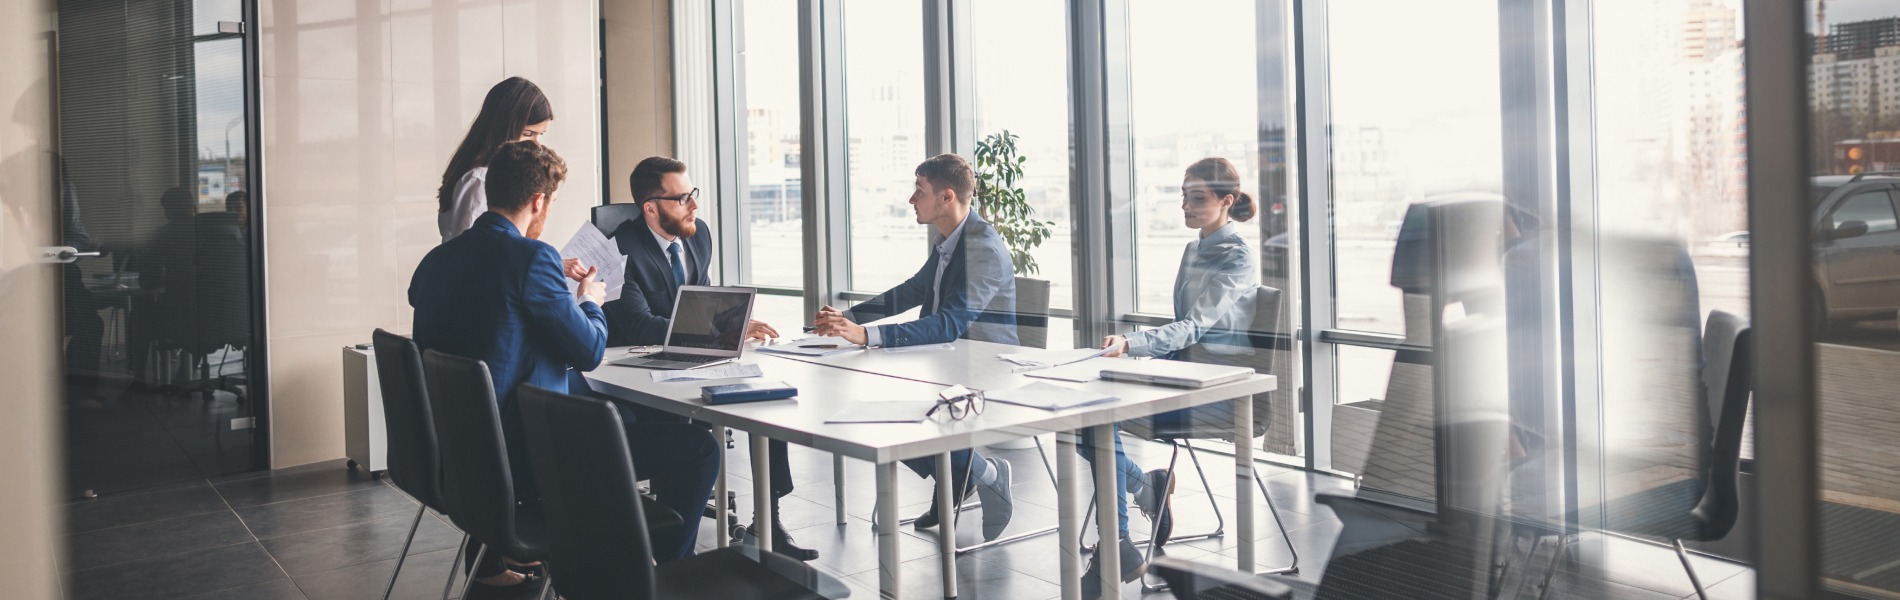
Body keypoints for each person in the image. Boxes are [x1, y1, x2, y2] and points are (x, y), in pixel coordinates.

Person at [409, 142, 719, 588]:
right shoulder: (534, 258)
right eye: (550, 203)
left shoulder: (436, 260)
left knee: (624, 416)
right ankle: (664, 579)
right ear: (539, 201)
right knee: (698, 449)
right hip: (533, 453)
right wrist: (591, 302)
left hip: (463, 451)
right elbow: (590, 350)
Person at [600, 156, 814, 559]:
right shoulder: (619, 251)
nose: (694, 206)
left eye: (692, 194)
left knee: (763, 397)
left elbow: (702, 303)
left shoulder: (698, 237)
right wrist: (720, 330)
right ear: (651, 207)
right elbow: (640, 326)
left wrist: (734, 323)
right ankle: (670, 547)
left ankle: (768, 521)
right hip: (636, 370)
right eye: (682, 199)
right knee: (692, 441)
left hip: (695, 356)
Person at [811, 153, 1017, 541]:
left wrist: (869, 337)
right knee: (885, 410)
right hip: (946, 363)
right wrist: (849, 318)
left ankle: (985, 474)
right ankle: (960, 477)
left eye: (918, 191)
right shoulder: (950, 241)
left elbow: (951, 323)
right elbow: (913, 291)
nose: (911, 200)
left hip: (984, 369)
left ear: (946, 197)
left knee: (900, 415)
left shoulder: (982, 248)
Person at [1090, 157, 1262, 595]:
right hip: (1184, 376)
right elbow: (1184, 331)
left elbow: (1193, 327)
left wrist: (1133, 343)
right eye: (1183, 195)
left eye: (1197, 197)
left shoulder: (1237, 256)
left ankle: (1117, 543)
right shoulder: (1194, 247)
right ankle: (1144, 492)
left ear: (1226, 201)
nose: (1185, 205)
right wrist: (1135, 351)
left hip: (1220, 389)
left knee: (1098, 417)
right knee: (1088, 412)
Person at [436, 77, 553, 242]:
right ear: (504, 128)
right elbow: (474, 256)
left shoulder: (494, 174)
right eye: (528, 134)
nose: (536, 146)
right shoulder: (478, 180)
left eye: (540, 134)